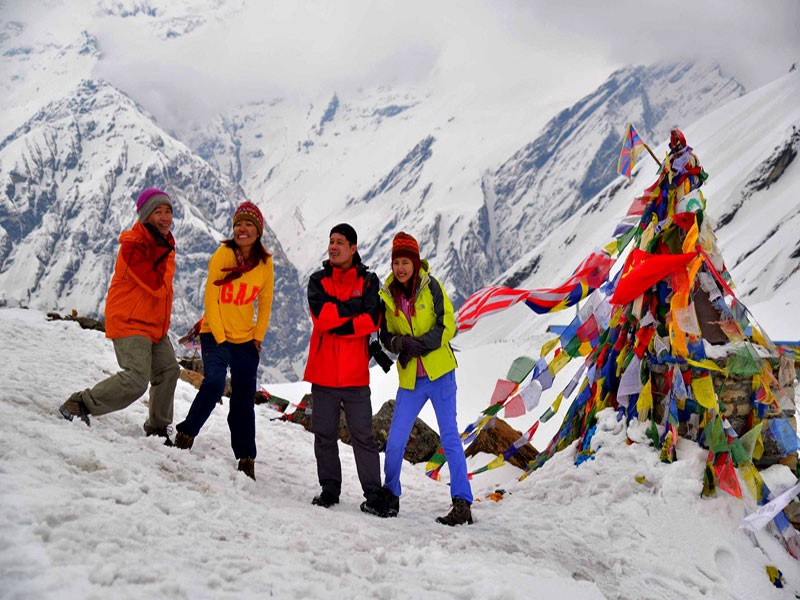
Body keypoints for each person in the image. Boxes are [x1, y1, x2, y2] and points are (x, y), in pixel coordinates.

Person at [59, 188, 180, 443]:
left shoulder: (163, 243)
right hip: (130, 322)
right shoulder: (133, 247)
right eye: (158, 211)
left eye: (168, 211)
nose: (165, 217)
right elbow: (157, 286)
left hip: (154, 325)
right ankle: (80, 403)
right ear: (146, 215)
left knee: (169, 370)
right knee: (137, 379)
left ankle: (157, 427)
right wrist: (166, 253)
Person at [173, 201, 274, 481]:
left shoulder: (265, 264)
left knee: (243, 399)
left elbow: (265, 302)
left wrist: (257, 336)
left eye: (249, 225)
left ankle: (246, 456)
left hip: (245, 340)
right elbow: (211, 299)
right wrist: (218, 336)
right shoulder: (223, 255)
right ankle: (186, 432)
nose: (243, 229)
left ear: (258, 231)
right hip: (215, 334)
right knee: (215, 383)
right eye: (238, 224)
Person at [378, 232, 474, 525]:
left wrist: (423, 343)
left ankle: (462, 503)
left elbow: (449, 325)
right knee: (395, 441)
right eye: (397, 263)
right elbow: (384, 335)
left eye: (406, 262)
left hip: (440, 373)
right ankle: (390, 496)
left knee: (449, 437)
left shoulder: (431, 287)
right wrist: (399, 345)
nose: (401, 268)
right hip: (411, 379)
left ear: (416, 263)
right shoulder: (387, 295)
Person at [303, 223, 390, 517]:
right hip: (324, 373)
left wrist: (339, 317)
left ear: (353, 248)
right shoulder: (318, 280)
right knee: (324, 434)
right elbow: (322, 319)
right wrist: (353, 316)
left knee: (363, 435)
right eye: (331, 241)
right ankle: (330, 489)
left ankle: (373, 493)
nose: (333, 247)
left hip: (354, 375)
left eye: (340, 242)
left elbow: (373, 320)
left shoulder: (368, 280)